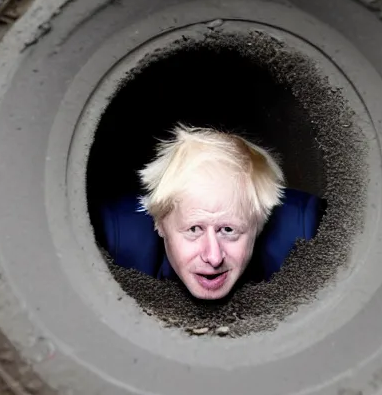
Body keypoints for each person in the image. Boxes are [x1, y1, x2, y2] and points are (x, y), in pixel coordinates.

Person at [98, 125, 323, 300]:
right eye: (194, 229)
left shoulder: (308, 229)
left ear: (259, 224)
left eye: (228, 230)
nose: (213, 258)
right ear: (159, 223)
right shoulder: (112, 238)